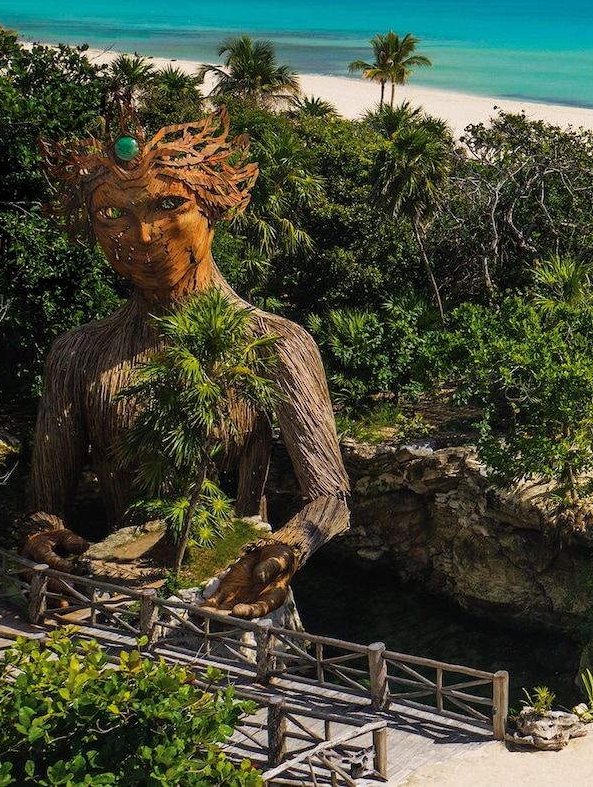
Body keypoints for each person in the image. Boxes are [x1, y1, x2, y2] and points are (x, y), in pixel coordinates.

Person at [21, 111, 348, 617]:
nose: (145, 236)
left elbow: (331, 499)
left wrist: (285, 551)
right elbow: (46, 498)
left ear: (212, 211)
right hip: (115, 594)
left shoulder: (275, 344)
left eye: (169, 205)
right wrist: (44, 535)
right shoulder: (78, 354)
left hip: (232, 593)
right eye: (113, 215)